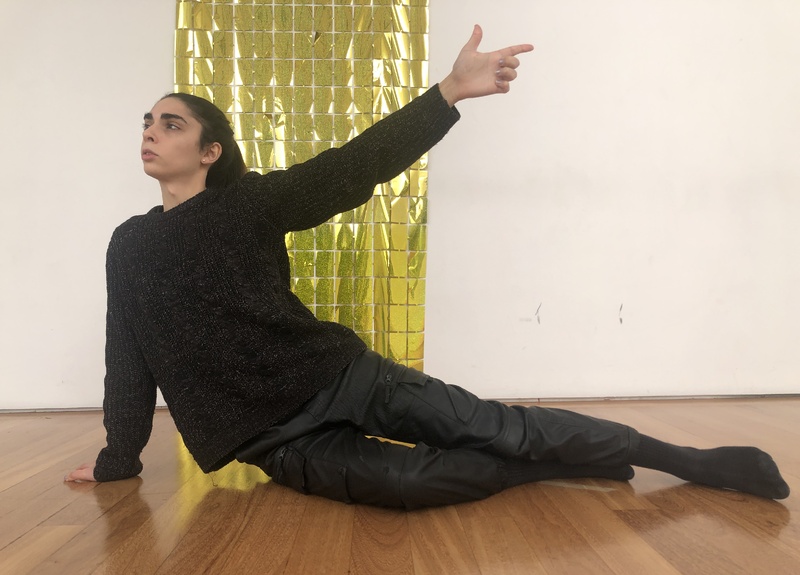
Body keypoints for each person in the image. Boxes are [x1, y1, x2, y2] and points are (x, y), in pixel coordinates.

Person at [65, 26, 789, 508]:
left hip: (340, 377)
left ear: (210, 150)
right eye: (147, 123)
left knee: (502, 430)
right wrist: (118, 457)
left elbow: (353, 168)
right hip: (274, 440)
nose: (151, 132)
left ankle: (687, 460)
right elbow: (126, 354)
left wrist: (448, 93)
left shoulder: (246, 203)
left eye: (171, 123)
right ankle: (572, 463)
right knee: (413, 484)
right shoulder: (129, 244)